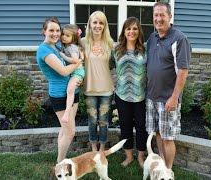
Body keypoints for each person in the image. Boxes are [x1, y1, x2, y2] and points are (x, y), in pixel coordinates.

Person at [146, 2, 191, 169]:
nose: (158, 19)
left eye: (162, 15)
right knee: (158, 133)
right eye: (155, 15)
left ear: (170, 16)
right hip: (151, 97)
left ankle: (168, 170)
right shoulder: (152, 38)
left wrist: (174, 97)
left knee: (167, 137)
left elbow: (183, 72)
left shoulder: (179, 39)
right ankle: (162, 167)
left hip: (168, 99)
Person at [36, 17, 81, 163]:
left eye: (57, 30)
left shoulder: (56, 47)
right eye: (51, 30)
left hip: (72, 92)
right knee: (70, 132)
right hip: (60, 95)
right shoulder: (44, 50)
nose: (55, 33)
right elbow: (63, 71)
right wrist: (79, 64)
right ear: (44, 32)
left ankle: (60, 160)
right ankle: (60, 163)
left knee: (64, 129)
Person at [114, 17, 148, 167]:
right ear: (124, 31)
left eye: (135, 28)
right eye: (128, 28)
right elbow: (105, 65)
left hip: (140, 96)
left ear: (139, 31)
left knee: (141, 127)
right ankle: (128, 156)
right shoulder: (116, 50)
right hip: (122, 95)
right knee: (125, 126)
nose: (131, 31)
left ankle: (141, 156)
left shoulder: (145, 49)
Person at [81, 11, 114, 152]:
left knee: (103, 120)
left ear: (105, 25)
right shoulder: (83, 42)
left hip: (106, 89)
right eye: (95, 22)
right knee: (93, 120)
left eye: (101, 22)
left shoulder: (110, 43)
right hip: (89, 89)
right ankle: (93, 146)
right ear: (89, 24)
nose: (97, 25)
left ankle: (102, 148)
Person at [59, 24, 85, 123]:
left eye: (67, 35)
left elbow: (75, 61)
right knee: (70, 90)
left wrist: (62, 55)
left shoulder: (72, 47)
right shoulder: (66, 46)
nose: (64, 37)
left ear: (73, 38)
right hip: (73, 72)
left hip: (77, 72)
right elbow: (81, 57)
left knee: (70, 90)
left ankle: (67, 113)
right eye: (63, 34)